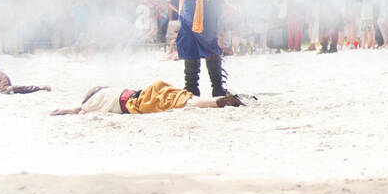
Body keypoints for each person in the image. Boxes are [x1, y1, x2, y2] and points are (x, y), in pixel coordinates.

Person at [50, 81, 249, 115]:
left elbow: (80, 111)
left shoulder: (92, 102)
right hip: (146, 91)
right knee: (181, 98)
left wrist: (66, 110)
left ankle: (217, 101)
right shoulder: (107, 91)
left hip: (136, 102)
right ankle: (220, 99)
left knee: (183, 103)